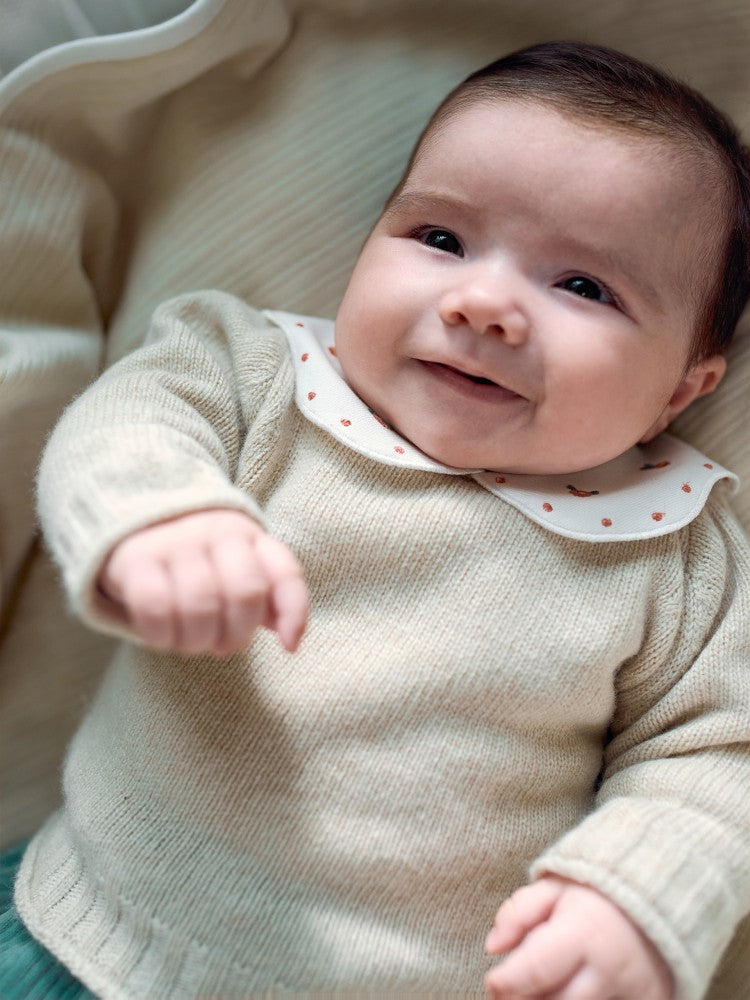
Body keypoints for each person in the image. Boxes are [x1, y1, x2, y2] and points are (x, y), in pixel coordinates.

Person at [6, 40, 750, 1000]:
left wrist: (643, 898)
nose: (484, 305)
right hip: (89, 935)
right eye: (441, 239)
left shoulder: (678, 547)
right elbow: (125, 426)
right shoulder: (259, 374)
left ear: (678, 396)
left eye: (584, 287)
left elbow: (719, 751)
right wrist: (158, 518)